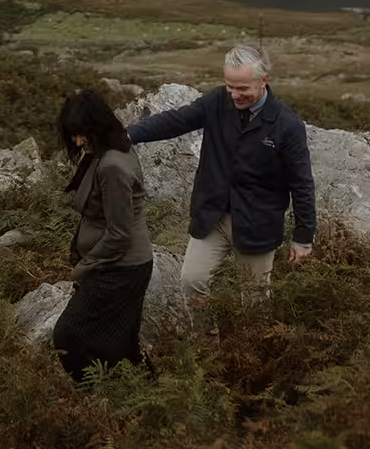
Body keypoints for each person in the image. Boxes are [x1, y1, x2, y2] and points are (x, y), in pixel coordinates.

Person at [127, 44, 315, 312]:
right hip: (211, 217)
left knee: (255, 302)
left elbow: (302, 183)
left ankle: (249, 349)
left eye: (243, 89)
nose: (234, 95)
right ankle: (206, 344)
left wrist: (303, 237)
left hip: (257, 225)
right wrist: (128, 135)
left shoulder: (287, 125)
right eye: (230, 86)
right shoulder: (217, 101)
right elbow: (176, 121)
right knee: (191, 281)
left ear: (264, 81)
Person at [52, 88, 154, 382]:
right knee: (118, 344)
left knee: (68, 335)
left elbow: (119, 233)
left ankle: (96, 397)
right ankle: (130, 401)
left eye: (80, 134)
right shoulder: (106, 150)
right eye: (72, 134)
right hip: (114, 263)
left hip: (121, 267)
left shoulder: (113, 165)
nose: (76, 141)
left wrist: (84, 268)